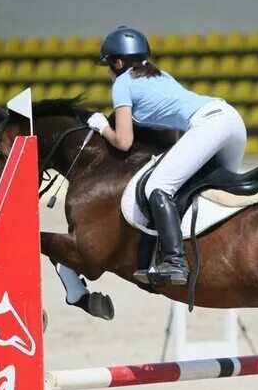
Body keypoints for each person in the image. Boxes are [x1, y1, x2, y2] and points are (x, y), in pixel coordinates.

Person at [87, 26, 248, 286]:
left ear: (117, 62)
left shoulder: (123, 84)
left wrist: (100, 126)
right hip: (231, 119)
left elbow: (123, 141)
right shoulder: (160, 75)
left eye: (108, 66)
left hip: (209, 125)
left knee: (158, 186)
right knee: (217, 194)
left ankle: (174, 259)